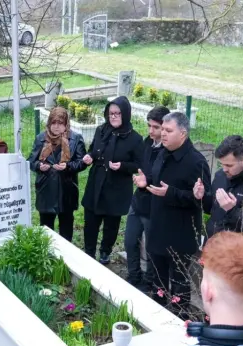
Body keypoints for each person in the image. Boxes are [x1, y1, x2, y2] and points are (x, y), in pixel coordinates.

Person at [134, 112, 211, 313]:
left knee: (179, 281)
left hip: (180, 234)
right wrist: (145, 183)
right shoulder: (163, 153)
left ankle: (179, 316)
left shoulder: (196, 162)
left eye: (168, 130)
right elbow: (157, 183)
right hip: (158, 227)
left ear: (183, 133)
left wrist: (172, 193)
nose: (163, 134)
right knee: (158, 278)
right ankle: (157, 313)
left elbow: (202, 199)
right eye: (163, 130)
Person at [81, 97, 143, 264]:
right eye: (111, 113)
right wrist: (89, 156)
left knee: (111, 223)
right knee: (91, 220)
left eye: (117, 113)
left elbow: (139, 165)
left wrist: (122, 166)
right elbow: (93, 150)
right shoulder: (101, 130)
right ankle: (89, 252)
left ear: (126, 114)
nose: (113, 117)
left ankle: (105, 251)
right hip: (97, 182)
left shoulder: (135, 139)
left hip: (117, 186)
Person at [123, 106, 169, 290]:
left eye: (156, 127)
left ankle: (149, 281)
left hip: (154, 205)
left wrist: (146, 181)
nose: (151, 131)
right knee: (130, 241)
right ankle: (134, 275)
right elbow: (141, 165)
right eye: (149, 126)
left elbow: (163, 178)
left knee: (151, 247)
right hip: (138, 201)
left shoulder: (168, 150)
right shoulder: (148, 143)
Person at [28, 106, 86, 243]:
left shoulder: (75, 139)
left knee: (66, 228)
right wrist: (39, 166)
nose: (56, 126)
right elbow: (30, 161)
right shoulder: (41, 138)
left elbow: (82, 162)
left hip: (67, 190)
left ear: (66, 124)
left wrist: (68, 166)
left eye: (60, 123)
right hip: (46, 189)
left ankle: (65, 253)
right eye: (53, 122)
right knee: (46, 230)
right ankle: (47, 253)